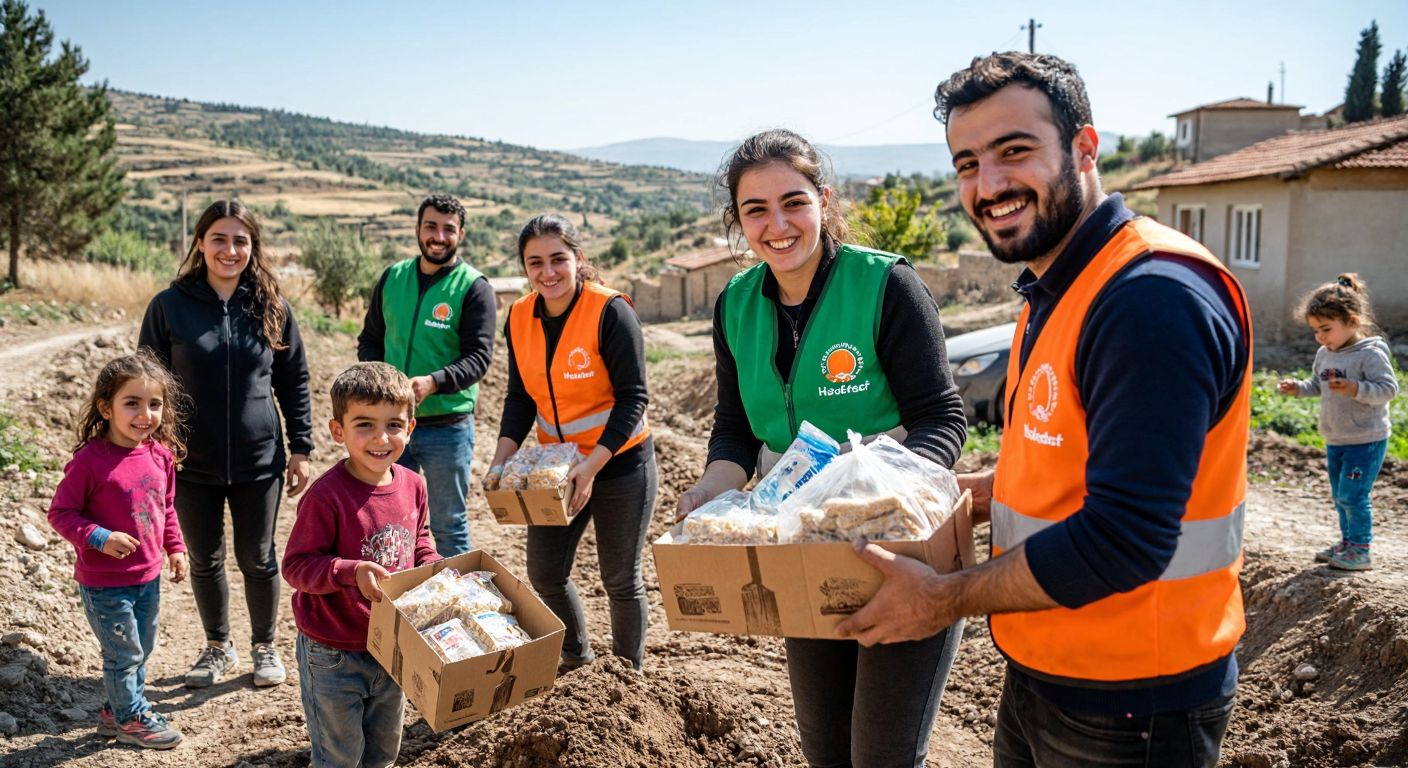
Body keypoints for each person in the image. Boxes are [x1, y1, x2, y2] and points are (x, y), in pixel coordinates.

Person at [834, 53, 1253, 768]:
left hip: (1133, 703)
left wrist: (942, 599)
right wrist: (967, 496)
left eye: (1014, 151)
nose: (987, 185)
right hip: (1047, 669)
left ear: (1085, 148)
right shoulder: (1060, 287)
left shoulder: (1149, 299)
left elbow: (1127, 536)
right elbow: (1070, 464)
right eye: (967, 163)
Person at [675, 129, 969, 768]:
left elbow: (943, 417)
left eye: (793, 202)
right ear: (738, 221)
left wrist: (882, 497)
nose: (777, 225)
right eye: (756, 210)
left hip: (897, 546)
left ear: (823, 201)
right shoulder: (736, 306)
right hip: (801, 549)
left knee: (884, 756)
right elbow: (735, 429)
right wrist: (707, 491)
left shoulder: (886, 286)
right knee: (827, 751)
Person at [139, 199, 314, 689]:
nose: (230, 249)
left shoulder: (272, 307)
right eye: (219, 238)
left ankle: (264, 646)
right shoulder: (170, 305)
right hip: (188, 461)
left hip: (260, 459)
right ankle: (218, 646)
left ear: (252, 246)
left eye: (240, 240)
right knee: (205, 558)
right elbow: (147, 382)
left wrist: (301, 447)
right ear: (200, 243)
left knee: (258, 557)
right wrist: (150, 448)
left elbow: (294, 380)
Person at [484, 213, 656, 672]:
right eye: (535, 262)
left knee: (620, 579)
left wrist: (593, 465)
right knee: (545, 572)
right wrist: (501, 461)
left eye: (558, 259)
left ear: (578, 259)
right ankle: (577, 661)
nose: (548, 272)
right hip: (555, 471)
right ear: (524, 268)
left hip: (620, 464)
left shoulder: (610, 310)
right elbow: (520, 396)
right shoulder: (519, 316)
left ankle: (627, 681)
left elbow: (634, 398)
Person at [283, 362, 440, 768]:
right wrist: (350, 572)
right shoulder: (326, 496)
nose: (381, 438)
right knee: (340, 756)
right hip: (334, 650)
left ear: (411, 428)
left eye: (393, 425)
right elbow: (297, 566)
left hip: (393, 645)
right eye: (365, 425)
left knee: (383, 752)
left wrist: (437, 570)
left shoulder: (413, 484)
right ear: (339, 432)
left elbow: (419, 541)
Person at [47, 351, 190, 749]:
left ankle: (117, 708)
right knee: (123, 653)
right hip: (105, 585)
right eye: (132, 403)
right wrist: (99, 537)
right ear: (105, 408)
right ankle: (131, 719)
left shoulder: (159, 456)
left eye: (155, 404)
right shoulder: (91, 461)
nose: (145, 414)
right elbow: (61, 514)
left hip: (148, 578)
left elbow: (165, 507)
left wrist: (175, 548)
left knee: (140, 649)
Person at [358, 194, 496, 557]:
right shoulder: (393, 277)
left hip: (447, 429)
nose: (439, 236)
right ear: (418, 229)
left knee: (449, 525)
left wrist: (432, 382)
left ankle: (459, 606)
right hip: (388, 427)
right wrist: (379, 381)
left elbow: (479, 358)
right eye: (431, 227)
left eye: (448, 229)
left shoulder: (473, 287)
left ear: (461, 235)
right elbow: (371, 340)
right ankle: (393, 602)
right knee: (385, 521)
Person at [1277, 273, 1397, 571]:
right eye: (1315, 330)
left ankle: (1361, 549)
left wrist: (1356, 388)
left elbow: (1388, 389)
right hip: (1336, 439)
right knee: (1340, 496)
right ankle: (1347, 544)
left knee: (1353, 495)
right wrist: (1299, 388)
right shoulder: (1325, 354)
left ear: (1352, 321)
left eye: (1326, 329)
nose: (1320, 337)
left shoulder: (1369, 353)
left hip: (1366, 439)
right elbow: (1318, 385)